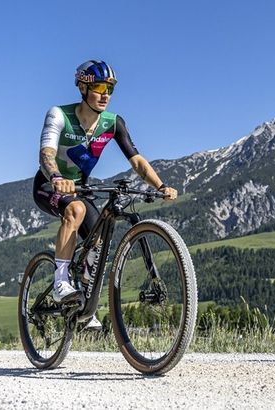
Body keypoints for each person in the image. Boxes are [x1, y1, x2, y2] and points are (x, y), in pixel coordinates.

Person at [33, 60, 177, 330]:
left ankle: (85, 305)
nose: (105, 94)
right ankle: (60, 282)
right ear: (83, 88)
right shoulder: (59, 115)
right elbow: (46, 155)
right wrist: (57, 178)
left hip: (81, 187)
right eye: (98, 87)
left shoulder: (113, 123)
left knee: (98, 240)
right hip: (49, 186)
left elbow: (137, 161)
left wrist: (160, 186)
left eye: (109, 88)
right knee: (75, 210)